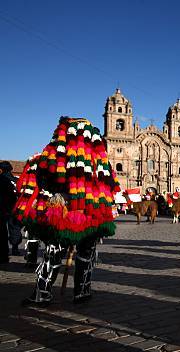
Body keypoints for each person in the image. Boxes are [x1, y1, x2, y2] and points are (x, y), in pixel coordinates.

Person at [15, 117, 120, 306]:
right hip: (92, 213)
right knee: (86, 253)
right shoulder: (101, 161)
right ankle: (82, 291)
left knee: (53, 252)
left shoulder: (56, 153)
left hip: (63, 212)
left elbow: (43, 178)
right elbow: (111, 185)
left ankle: (42, 292)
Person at [0, 163, 17, 264]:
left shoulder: (4, 180)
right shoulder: (11, 180)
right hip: (6, 210)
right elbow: (12, 197)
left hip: (3, 210)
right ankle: (3, 256)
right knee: (3, 233)